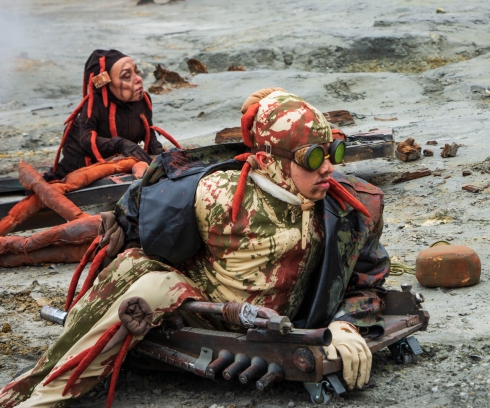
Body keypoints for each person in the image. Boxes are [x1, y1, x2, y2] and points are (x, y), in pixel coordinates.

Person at [0, 89, 389, 407]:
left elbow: (367, 280)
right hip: (200, 309)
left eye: (334, 153)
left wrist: (346, 322)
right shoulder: (217, 194)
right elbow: (155, 192)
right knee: (141, 281)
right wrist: (119, 221)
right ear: (270, 162)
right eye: (314, 157)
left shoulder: (352, 209)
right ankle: (38, 397)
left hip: (276, 322)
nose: (329, 169)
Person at [43, 49, 164, 182]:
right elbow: (86, 140)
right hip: (81, 165)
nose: (139, 79)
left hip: (119, 163)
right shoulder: (94, 105)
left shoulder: (143, 100)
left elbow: (149, 133)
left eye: (136, 71)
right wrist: (119, 144)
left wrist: (163, 155)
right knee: (55, 179)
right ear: (106, 84)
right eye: (126, 76)